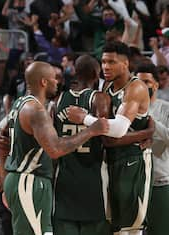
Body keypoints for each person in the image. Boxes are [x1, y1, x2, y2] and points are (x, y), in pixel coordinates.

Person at [1, 61, 109, 235]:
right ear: (44, 82)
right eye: (54, 78)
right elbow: (55, 149)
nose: (58, 82)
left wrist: (5, 180)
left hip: (21, 179)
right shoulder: (36, 110)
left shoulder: (19, 103)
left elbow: (1, 142)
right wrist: (91, 130)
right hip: (29, 180)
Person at [67, 41, 152, 235]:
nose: (105, 66)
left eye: (112, 62)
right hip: (110, 160)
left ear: (125, 63)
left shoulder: (135, 87)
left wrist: (85, 119)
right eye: (103, 61)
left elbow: (119, 130)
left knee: (130, 228)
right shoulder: (106, 86)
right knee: (113, 226)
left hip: (132, 161)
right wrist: (147, 131)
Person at [53, 55, 112, 235]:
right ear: (97, 74)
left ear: (75, 72)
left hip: (64, 178)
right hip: (93, 178)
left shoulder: (57, 101)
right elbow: (108, 138)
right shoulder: (100, 99)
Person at [134, 62, 169, 235]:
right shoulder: (128, 109)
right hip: (135, 182)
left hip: (159, 182)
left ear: (156, 84)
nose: (142, 86)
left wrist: (152, 121)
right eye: (138, 82)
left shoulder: (166, 108)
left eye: (146, 82)